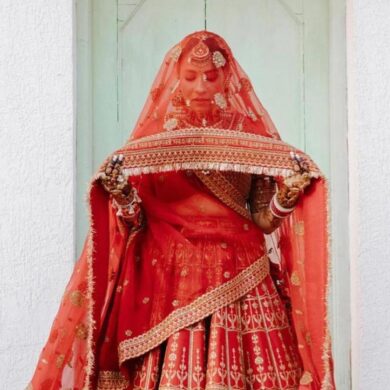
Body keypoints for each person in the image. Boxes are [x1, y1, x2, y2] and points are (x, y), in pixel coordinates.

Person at [28, 31, 334, 390]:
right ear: (176, 78)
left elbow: (264, 220)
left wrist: (290, 195)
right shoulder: (155, 140)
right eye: (190, 77)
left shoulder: (251, 138)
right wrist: (123, 194)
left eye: (210, 76)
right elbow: (136, 220)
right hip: (171, 277)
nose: (201, 86)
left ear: (226, 78)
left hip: (243, 274)